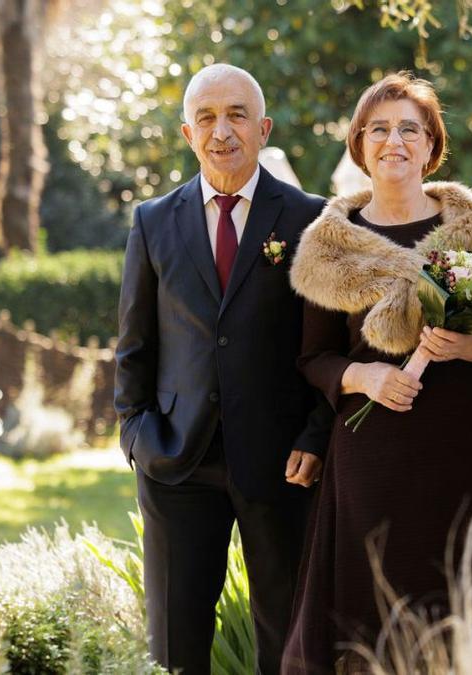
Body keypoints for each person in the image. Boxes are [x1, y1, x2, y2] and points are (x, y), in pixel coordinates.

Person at [281, 72, 472, 674]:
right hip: (373, 456)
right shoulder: (330, 245)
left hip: (461, 450)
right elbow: (314, 359)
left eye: (409, 129)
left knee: (459, 599)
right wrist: (363, 378)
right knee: (373, 610)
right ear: (360, 146)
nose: (395, 141)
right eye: (380, 129)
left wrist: (471, 349)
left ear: (431, 145)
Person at [114, 63, 333, 675]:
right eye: (206, 117)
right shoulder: (153, 221)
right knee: (174, 647)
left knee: (286, 645)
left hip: (282, 465)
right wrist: (136, 432)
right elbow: (134, 343)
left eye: (236, 114)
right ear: (187, 133)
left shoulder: (310, 218)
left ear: (262, 128)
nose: (222, 131)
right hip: (177, 463)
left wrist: (315, 438)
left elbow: (325, 343)